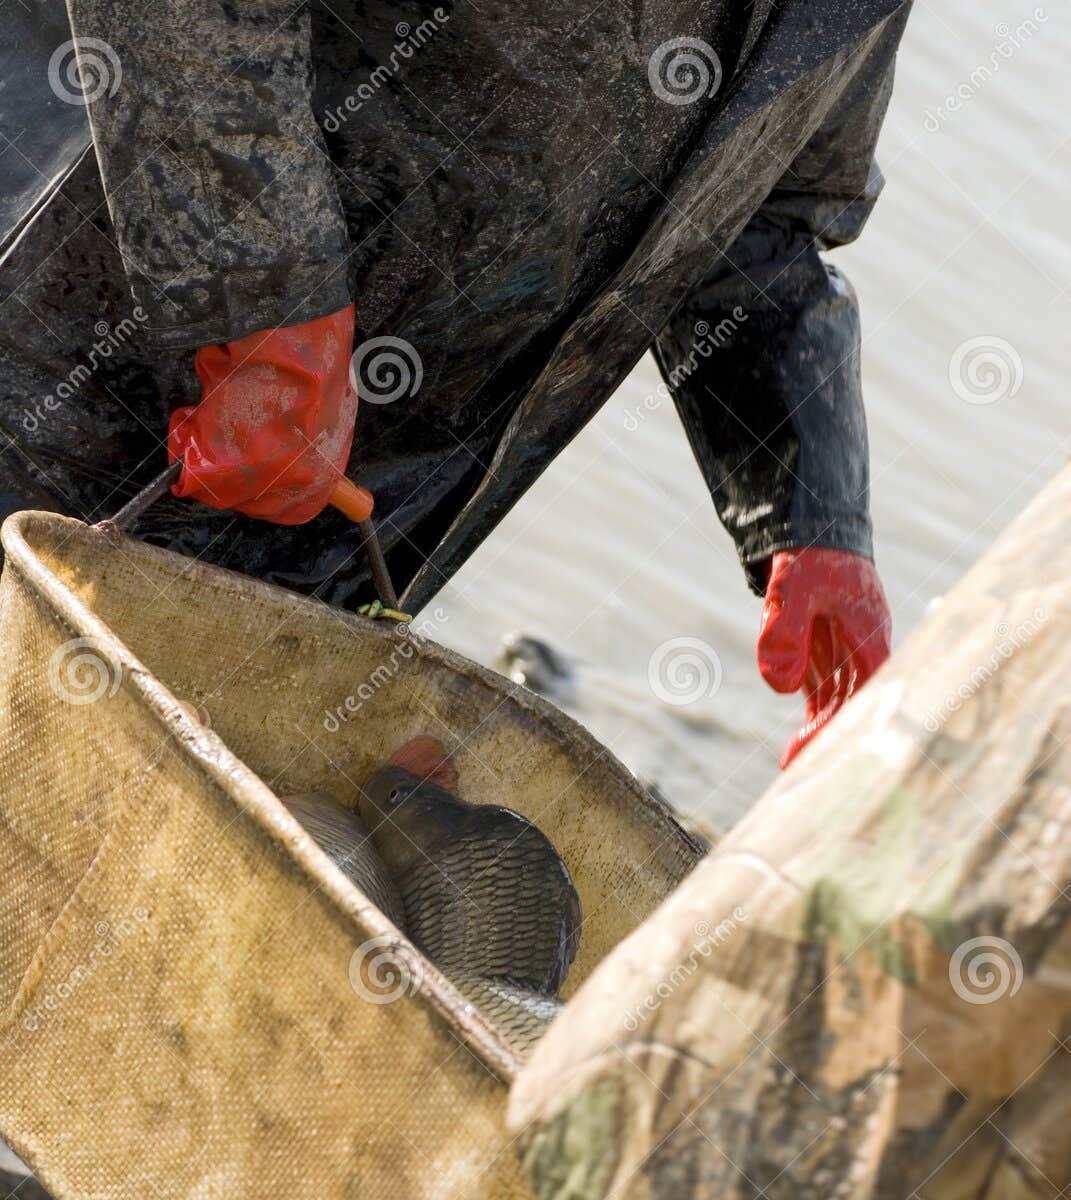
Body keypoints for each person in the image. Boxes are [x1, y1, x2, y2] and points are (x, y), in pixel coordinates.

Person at [0, 0, 908, 766]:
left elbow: (761, 221)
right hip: (63, 337)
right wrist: (262, 291)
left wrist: (810, 506)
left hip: (344, 533)